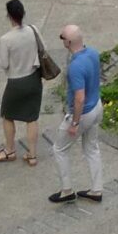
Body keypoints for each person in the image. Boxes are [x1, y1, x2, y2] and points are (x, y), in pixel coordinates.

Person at [49, 23, 104, 204]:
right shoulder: (93, 53)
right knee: (91, 148)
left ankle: (67, 190)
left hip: (83, 113)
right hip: (97, 106)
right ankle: (96, 189)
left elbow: (79, 98)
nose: (61, 39)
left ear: (69, 42)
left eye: (62, 37)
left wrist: (74, 123)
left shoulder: (75, 67)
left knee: (59, 149)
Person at [0, 0, 44, 167]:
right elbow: (42, 48)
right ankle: (32, 154)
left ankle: (9, 149)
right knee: (32, 118)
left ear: (9, 16)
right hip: (33, 79)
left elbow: (4, 64)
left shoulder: (6, 39)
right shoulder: (33, 30)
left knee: (8, 115)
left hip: (15, 82)